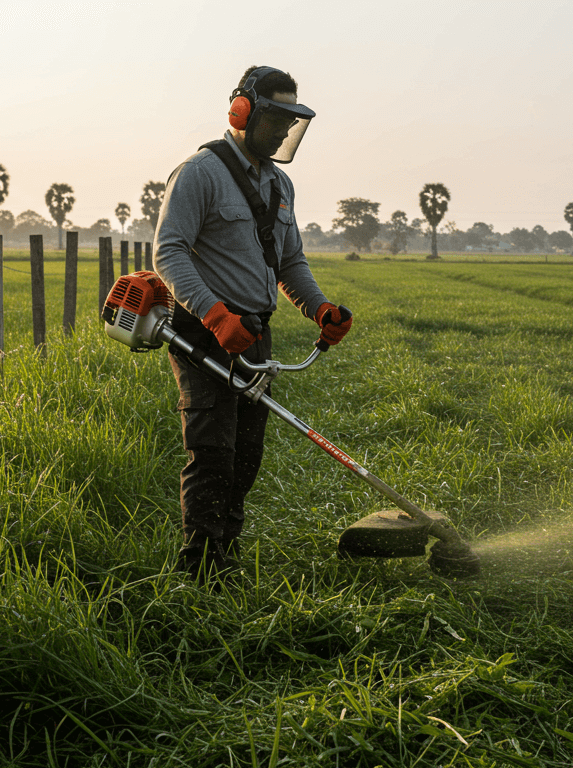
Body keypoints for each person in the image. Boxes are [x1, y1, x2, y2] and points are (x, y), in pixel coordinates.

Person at [152, 65, 353, 581]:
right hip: (204, 331)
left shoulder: (279, 183)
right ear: (243, 112)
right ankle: (198, 574)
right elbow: (169, 252)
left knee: (246, 455)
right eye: (278, 119)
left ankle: (226, 556)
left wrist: (320, 309)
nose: (286, 131)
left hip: (254, 334)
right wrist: (216, 316)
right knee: (213, 453)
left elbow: (290, 263)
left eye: (292, 121)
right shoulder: (199, 173)